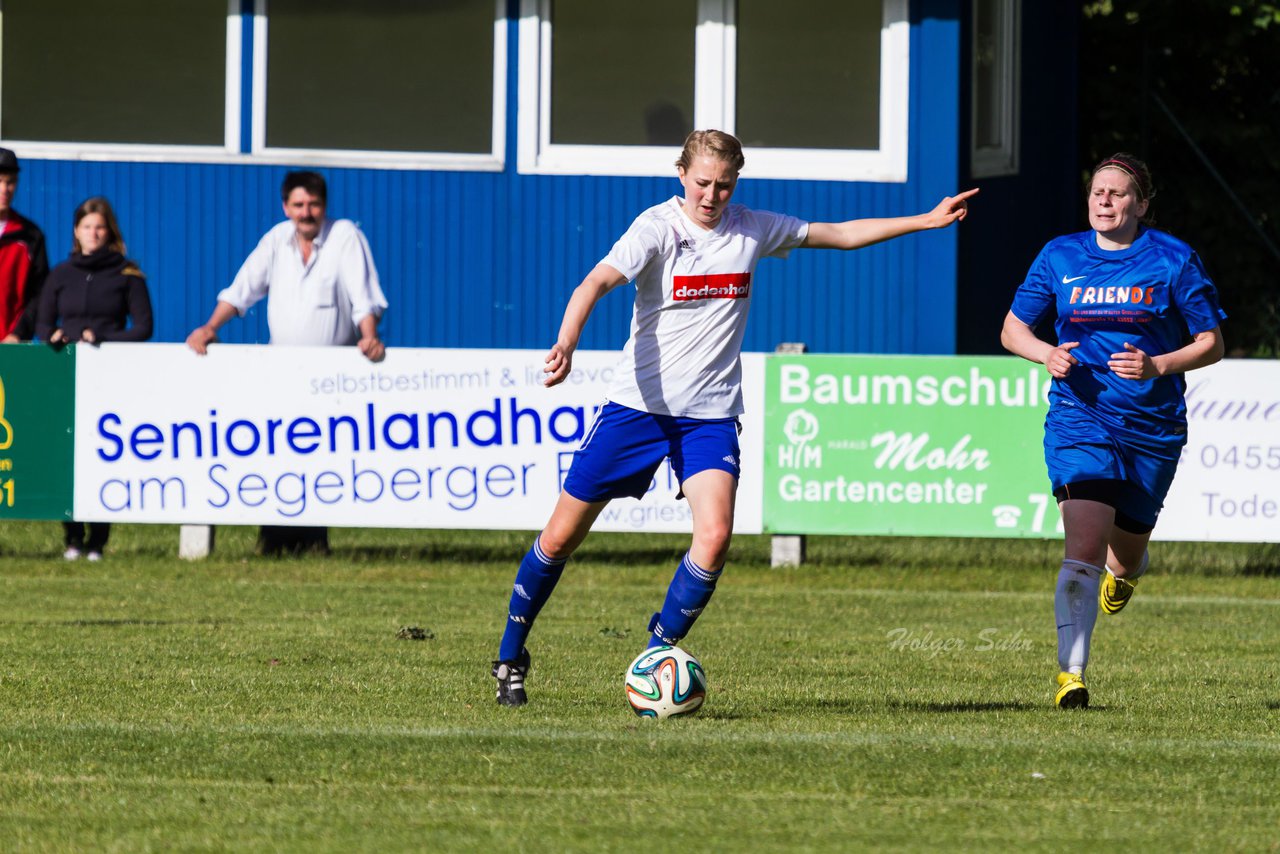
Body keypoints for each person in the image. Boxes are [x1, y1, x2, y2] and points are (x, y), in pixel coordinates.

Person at [491, 129, 977, 706]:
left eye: (723, 185)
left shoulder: (751, 227)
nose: (711, 196)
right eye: (702, 182)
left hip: (710, 416)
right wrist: (567, 342)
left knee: (716, 537)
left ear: (735, 183)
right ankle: (510, 656)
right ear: (682, 175)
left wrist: (923, 221)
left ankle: (657, 654)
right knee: (561, 535)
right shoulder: (656, 228)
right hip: (638, 409)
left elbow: (840, 234)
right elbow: (594, 282)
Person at [1001, 153, 1226, 710]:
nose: (1104, 200)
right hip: (1080, 416)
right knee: (1083, 543)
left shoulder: (1174, 259)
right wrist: (1046, 353)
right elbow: (1012, 330)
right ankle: (1070, 676)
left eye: (1117, 193)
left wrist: (1157, 366)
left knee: (1125, 555)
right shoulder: (1060, 255)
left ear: (1141, 204)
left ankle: (1125, 573)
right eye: (1097, 192)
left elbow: (1211, 343)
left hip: (1153, 425)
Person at [185, 170, 388, 556]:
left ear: (324, 206)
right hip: (282, 376)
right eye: (298, 205)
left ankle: (314, 542)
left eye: (313, 205)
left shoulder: (344, 236)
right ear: (286, 207)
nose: (306, 212)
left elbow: (364, 294)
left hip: (332, 378)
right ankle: (274, 541)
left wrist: (368, 334)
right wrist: (211, 326)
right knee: (280, 453)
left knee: (322, 458)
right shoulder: (277, 239)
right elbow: (242, 288)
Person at [37, 196, 154, 560]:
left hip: (109, 376)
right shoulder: (61, 273)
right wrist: (52, 336)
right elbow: (42, 321)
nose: (93, 233)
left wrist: (103, 338)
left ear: (110, 231)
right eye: (87, 227)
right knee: (64, 453)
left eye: (100, 227)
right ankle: (71, 536)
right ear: (76, 232)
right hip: (66, 375)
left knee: (102, 452)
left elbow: (144, 327)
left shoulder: (127, 274)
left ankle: (97, 540)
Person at [0, 147, 49, 343]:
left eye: (10, 182)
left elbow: (40, 293)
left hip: (11, 348)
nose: (5, 189)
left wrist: (18, 334)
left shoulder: (30, 236)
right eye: (0, 181)